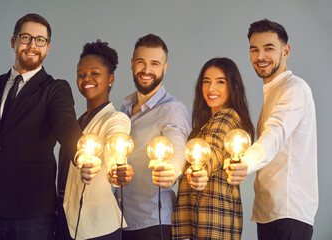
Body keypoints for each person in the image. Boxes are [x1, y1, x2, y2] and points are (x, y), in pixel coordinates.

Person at [0, 13, 82, 239]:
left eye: (40, 40)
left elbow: (66, 127)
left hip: (33, 214)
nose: (32, 45)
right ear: (13, 41)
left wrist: (81, 153)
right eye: (26, 37)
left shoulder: (55, 89)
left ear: (48, 47)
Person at [225, 19, 318, 240]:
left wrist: (245, 162)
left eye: (269, 48)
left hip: (287, 214)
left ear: (286, 51)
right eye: (254, 50)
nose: (260, 56)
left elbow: (275, 135)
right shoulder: (273, 92)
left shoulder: (294, 89)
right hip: (270, 214)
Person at [115, 34, 190, 240]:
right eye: (141, 62)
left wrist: (172, 170)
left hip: (153, 223)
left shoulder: (172, 109)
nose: (147, 70)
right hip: (122, 221)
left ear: (165, 67)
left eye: (155, 64)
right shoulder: (125, 108)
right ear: (132, 64)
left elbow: (178, 148)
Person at [56, 40, 133, 240]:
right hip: (66, 223)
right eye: (81, 74)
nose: (86, 78)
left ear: (110, 78)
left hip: (98, 229)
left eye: (94, 73)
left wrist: (116, 169)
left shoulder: (115, 118)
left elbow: (115, 141)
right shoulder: (76, 123)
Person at [172, 58, 255, 240]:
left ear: (233, 86)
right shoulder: (205, 124)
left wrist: (201, 169)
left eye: (220, 82)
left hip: (214, 221)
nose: (211, 89)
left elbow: (214, 148)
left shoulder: (227, 116)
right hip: (203, 218)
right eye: (206, 81)